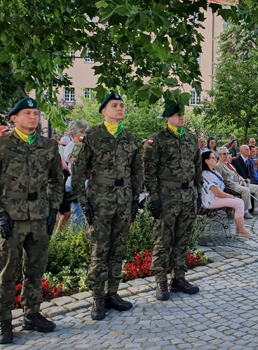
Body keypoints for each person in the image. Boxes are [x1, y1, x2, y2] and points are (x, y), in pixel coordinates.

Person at [0, 97, 63, 344]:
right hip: (11, 216)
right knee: (6, 271)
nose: (33, 117)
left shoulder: (48, 146)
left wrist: (53, 208)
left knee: (36, 268)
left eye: (35, 113)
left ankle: (32, 313)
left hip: (39, 215)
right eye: (27, 113)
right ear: (14, 118)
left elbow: (57, 179)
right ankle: (4, 322)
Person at [71, 92, 143, 320]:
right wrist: (83, 202)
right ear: (104, 111)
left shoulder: (130, 138)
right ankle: (97, 298)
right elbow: (78, 171)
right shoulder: (91, 136)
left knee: (118, 249)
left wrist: (134, 199)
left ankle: (112, 293)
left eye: (122, 105)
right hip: (99, 200)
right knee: (99, 250)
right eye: (115, 105)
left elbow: (137, 170)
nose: (120, 108)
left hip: (123, 200)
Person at [143, 103, 202, 301]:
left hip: (187, 195)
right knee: (163, 239)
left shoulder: (190, 138)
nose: (182, 117)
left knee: (182, 239)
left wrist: (199, 192)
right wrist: (153, 197)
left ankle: (179, 278)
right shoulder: (157, 140)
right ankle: (161, 281)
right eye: (177, 115)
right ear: (168, 118)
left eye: (183, 114)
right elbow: (148, 171)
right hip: (167, 196)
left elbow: (197, 168)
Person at [200, 151, 254, 237]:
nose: (216, 159)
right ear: (206, 161)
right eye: (213, 158)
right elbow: (217, 193)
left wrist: (231, 196)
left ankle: (238, 229)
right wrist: (230, 196)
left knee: (239, 201)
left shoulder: (214, 171)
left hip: (216, 198)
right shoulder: (206, 174)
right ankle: (242, 230)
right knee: (238, 203)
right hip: (211, 200)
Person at [216, 146, 258, 219]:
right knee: (246, 190)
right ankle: (245, 211)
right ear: (219, 155)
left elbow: (237, 175)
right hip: (231, 186)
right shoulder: (218, 166)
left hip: (240, 183)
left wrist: (244, 180)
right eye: (224, 154)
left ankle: (256, 209)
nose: (226, 155)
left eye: (227, 153)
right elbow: (218, 179)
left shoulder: (229, 165)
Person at [61, 121, 90, 229]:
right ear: (74, 134)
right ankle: (75, 238)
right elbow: (74, 161)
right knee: (78, 213)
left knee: (83, 213)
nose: (84, 134)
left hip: (84, 182)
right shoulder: (71, 146)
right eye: (82, 132)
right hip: (74, 183)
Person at [231, 145, 258, 213]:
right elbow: (236, 174)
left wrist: (251, 181)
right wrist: (244, 180)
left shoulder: (249, 161)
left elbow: (252, 174)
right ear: (241, 151)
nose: (248, 150)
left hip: (250, 181)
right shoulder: (235, 161)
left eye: (248, 149)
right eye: (246, 149)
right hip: (241, 182)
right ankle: (249, 209)